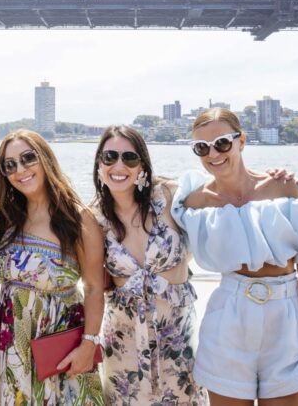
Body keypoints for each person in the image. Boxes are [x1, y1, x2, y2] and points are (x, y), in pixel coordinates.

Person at [172, 108, 298, 406]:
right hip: (227, 320)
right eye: (202, 147)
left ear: (241, 141)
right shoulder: (196, 202)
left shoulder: (282, 187)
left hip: (286, 321)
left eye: (222, 143)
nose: (213, 154)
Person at [92, 125, 206, 405]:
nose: (119, 165)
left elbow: (223, 195)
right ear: (99, 164)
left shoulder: (169, 195)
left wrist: (270, 180)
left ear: (142, 164)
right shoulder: (94, 217)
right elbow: (90, 279)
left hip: (177, 334)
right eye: (110, 157)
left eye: (129, 158)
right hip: (124, 337)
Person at [0, 129, 105, 405]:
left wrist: (89, 344)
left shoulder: (77, 217)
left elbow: (93, 287)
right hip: (14, 347)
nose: (20, 170)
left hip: (60, 345)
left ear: (45, 158)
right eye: (10, 165)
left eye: (28, 158)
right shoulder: (7, 216)